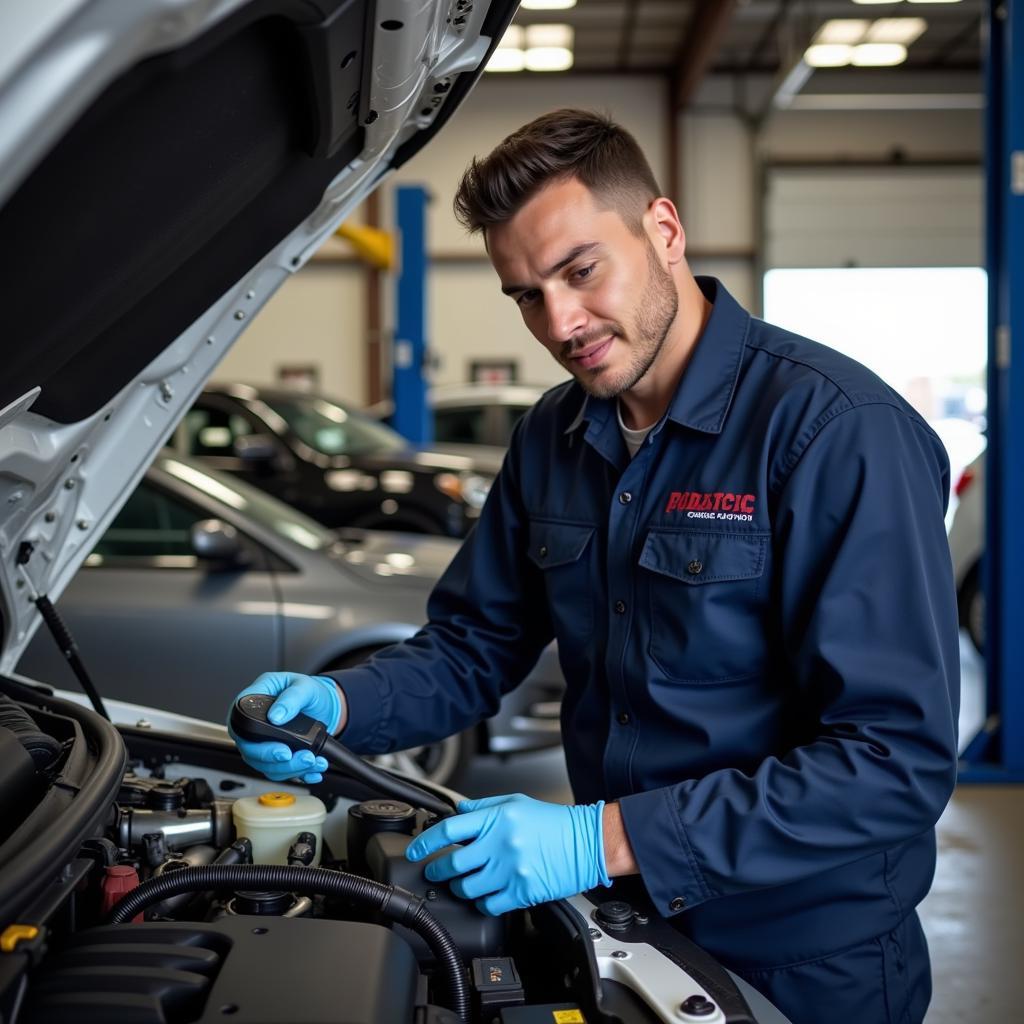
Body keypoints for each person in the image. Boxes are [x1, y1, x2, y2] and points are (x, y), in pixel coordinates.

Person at [229, 109, 960, 1024]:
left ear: (663, 230)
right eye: (527, 295)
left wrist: (602, 837)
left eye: (580, 271)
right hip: (627, 934)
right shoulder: (553, 434)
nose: (561, 322)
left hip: (807, 962)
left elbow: (892, 764)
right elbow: (472, 645)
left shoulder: (836, 433)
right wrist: (342, 706)